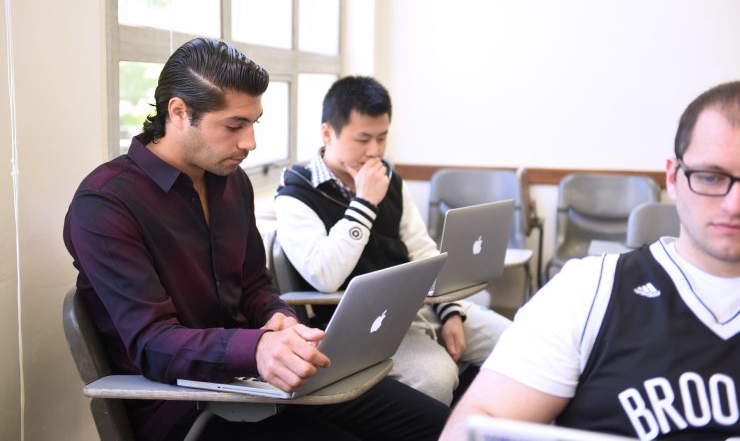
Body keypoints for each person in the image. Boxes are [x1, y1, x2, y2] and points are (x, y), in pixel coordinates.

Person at [63, 38, 449, 441]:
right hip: (184, 409)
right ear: (179, 112)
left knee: (437, 425)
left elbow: (254, 285)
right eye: (234, 126)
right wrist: (257, 349)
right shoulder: (106, 203)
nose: (250, 142)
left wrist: (277, 318)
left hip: (259, 383)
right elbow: (152, 343)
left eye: (253, 123)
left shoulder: (232, 184)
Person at [440, 81, 740, 440]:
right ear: (673, 178)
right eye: (710, 177)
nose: (733, 205)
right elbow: (476, 425)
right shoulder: (589, 291)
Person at [273, 75, 512, 406]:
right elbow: (324, 276)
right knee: (437, 376)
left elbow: (421, 250)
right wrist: (365, 203)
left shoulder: (389, 179)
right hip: (358, 326)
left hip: (413, 305)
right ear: (328, 133)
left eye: (382, 138)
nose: (375, 151)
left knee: (515, 343)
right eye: (363, 139)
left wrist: (450, 312)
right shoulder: (295, 194)